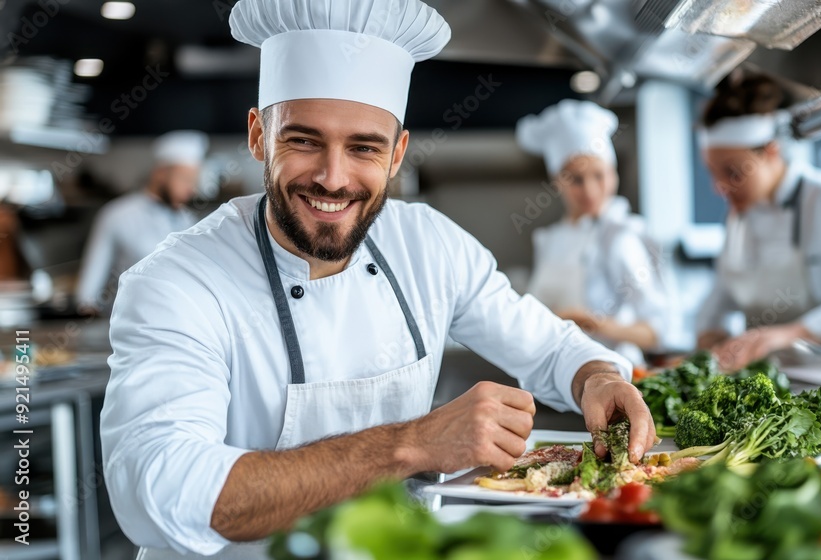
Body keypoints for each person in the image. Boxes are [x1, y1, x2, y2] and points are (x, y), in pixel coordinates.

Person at [99, 1, 655, 558]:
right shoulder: (177, 283)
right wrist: (412, 445)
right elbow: (162, 493)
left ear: (397, 155)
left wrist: (598, 376)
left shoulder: (429, 244)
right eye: (303, 141)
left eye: (364, 147)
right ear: (258, 136)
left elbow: (549, 344)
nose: (332, 178)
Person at [694, 73, 821, 373]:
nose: (719, 187)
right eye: (713, 173)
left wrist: (791, 333)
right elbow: (720, 300)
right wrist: (711, 342)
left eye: (733, 173)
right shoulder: (738, 216)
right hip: (761, 387)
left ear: (770, 152)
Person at [517, 100, 680, 365]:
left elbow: (659, 331)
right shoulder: (550, 239)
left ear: (614, 174)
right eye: (575, 180)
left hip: (614, 370)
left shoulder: (619, 238)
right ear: (557, 180)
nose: (590, 191)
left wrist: (596, 323)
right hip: (558, 372)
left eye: (599, 175)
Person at [75, 130, 208, 314]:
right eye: (185, 179)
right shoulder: (116, 215)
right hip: (124, 329)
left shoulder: (189, 220)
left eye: (194, 182)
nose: (191, 190)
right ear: (161, 173)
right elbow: (88, 294)